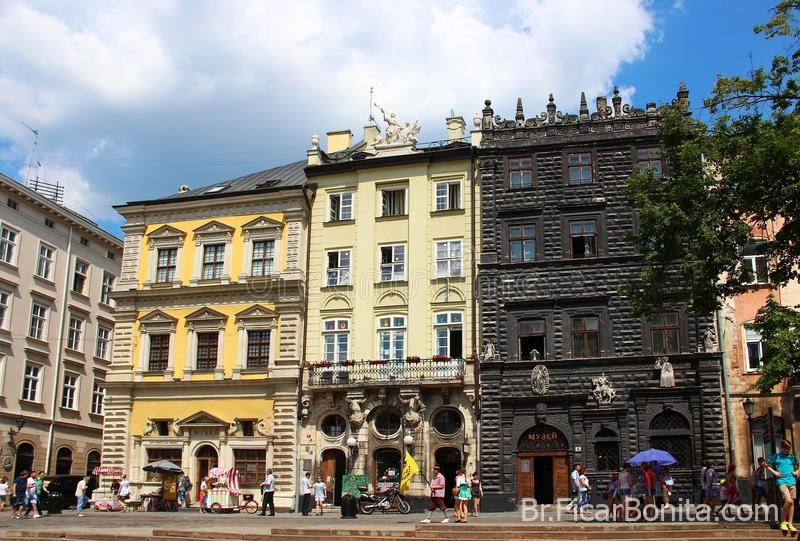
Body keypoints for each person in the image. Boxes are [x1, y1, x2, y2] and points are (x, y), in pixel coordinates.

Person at [767, 439, 800, 534]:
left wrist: (797, 472)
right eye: (786, 448)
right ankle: (783, 522)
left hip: (792, 481)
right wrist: (775, 472)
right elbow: (766, 464)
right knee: (788, 500)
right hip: (782, 482)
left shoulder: (792, 457)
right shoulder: (776, 456)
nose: (787, 450)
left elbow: (798, 465)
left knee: (792, 503)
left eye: (788, 448)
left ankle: (790, 523)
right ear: (782, 448)